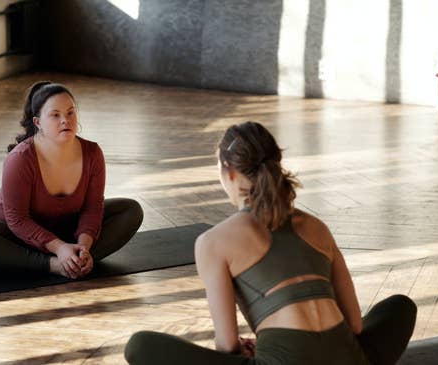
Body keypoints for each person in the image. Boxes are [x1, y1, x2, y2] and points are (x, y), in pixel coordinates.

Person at [124, 121, 416, 364]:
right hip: (349, 360)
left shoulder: (212, 242)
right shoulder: (317, 227)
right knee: (400, 306)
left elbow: (226, 344)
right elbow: (355, 326)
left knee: (140, 346)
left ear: (229, 170)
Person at [0, 82, 143, 279]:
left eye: (70, 113)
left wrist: (83, 247)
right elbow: (18, 220)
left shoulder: (92, 153)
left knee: (130, 210)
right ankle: (55, 265)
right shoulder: (20, 158)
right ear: (38, 122)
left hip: (68, 232)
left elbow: (92, 209)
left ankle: (78, 260)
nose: (65, 120)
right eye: (55, 115)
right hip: (17, 238)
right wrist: (58, 249)